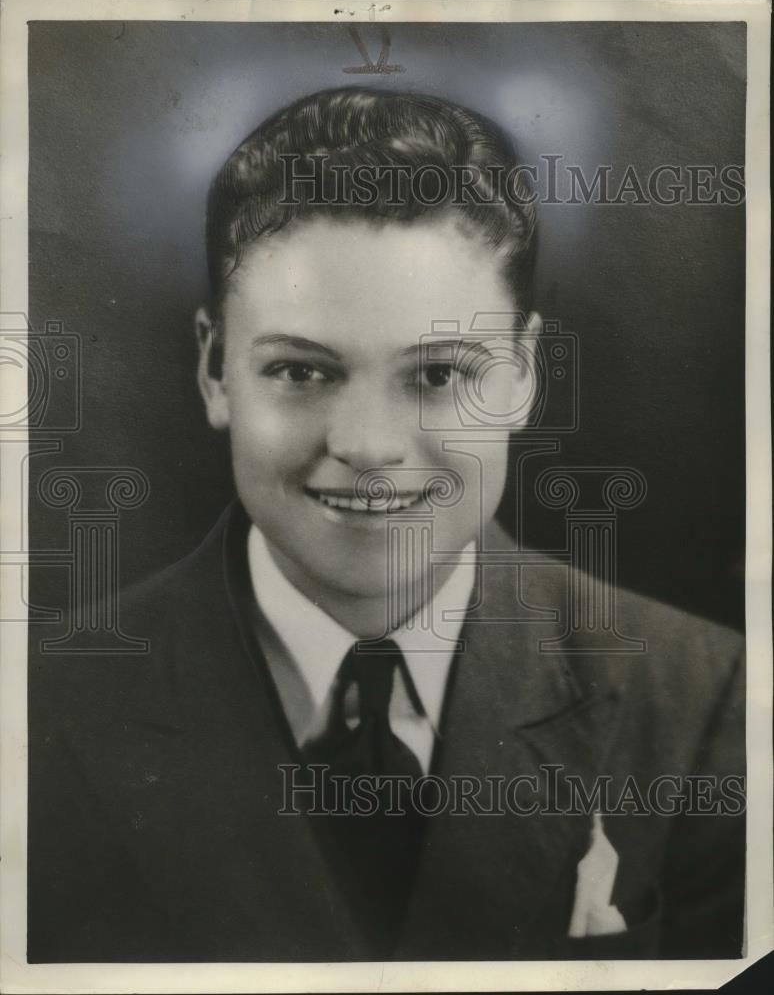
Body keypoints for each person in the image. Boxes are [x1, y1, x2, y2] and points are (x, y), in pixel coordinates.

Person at [28, 87, 745, 963]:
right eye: (300, 371)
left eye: (439, 375)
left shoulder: (711, 700)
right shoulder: (30, 709)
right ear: (216, 371)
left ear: (523, 376)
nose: (368, 447)